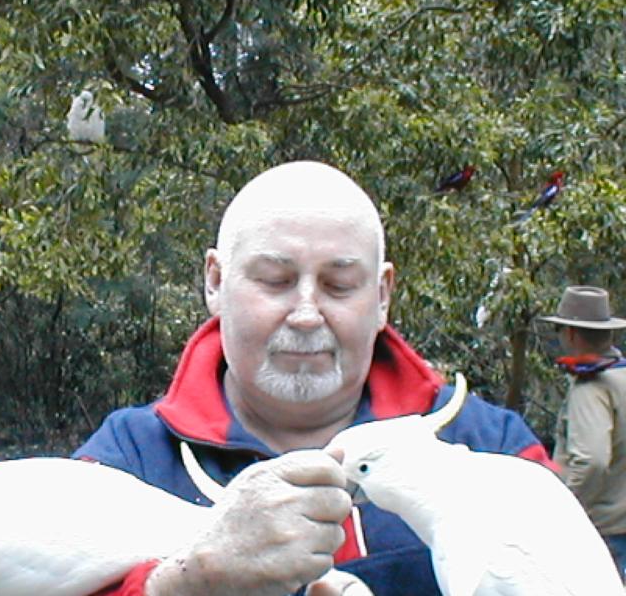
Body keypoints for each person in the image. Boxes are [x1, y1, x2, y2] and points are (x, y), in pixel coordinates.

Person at [74, 161, 553, 596]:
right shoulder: (129, 458)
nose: (306, 315)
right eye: (274, 280)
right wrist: (184, 583)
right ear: (215, 282)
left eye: (338, 286)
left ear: (383, 296)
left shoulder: (493, 449)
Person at [539, 285, 626, 580]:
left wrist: (562, 510)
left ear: (572, 334)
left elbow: (592, 461)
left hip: (603, 534)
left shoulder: (592, 387)